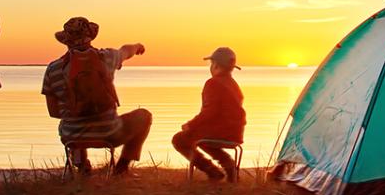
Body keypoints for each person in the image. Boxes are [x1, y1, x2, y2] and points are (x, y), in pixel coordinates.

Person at [41, 17, 152, 176]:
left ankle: (81, 166)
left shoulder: (53, 69)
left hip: (72, 137)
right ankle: (121, 169)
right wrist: (138, 46)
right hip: (109, 133)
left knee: (72, 124)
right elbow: (125, 51)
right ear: (91, 37)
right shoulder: (107, 57)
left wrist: (79, 111)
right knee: (144, 116)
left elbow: (54, 112)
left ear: (66, 41)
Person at [171, 46, 246, 182]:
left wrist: (190, 125)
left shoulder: (213, 83)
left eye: (211, 64)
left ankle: (212, 171)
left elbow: (209, 111)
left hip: (220, 132)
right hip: (235, 132)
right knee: (201, 136)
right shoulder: (233, 84)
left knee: (179, 139)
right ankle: (228, 165)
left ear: (216, 65)